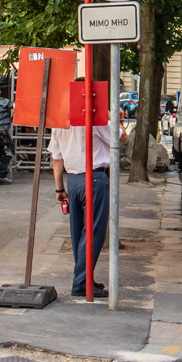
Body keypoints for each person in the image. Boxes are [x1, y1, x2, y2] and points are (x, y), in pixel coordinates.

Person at [49, 122, 127, 298]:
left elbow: (57, 159)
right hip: (95, 178)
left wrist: (59, 189)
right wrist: (115, 118)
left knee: (78, 233)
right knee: (93, 231)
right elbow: (120, 136)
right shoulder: (95, 119)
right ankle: (81, 281)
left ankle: (84, 277)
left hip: (73, 180)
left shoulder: (59, 123)